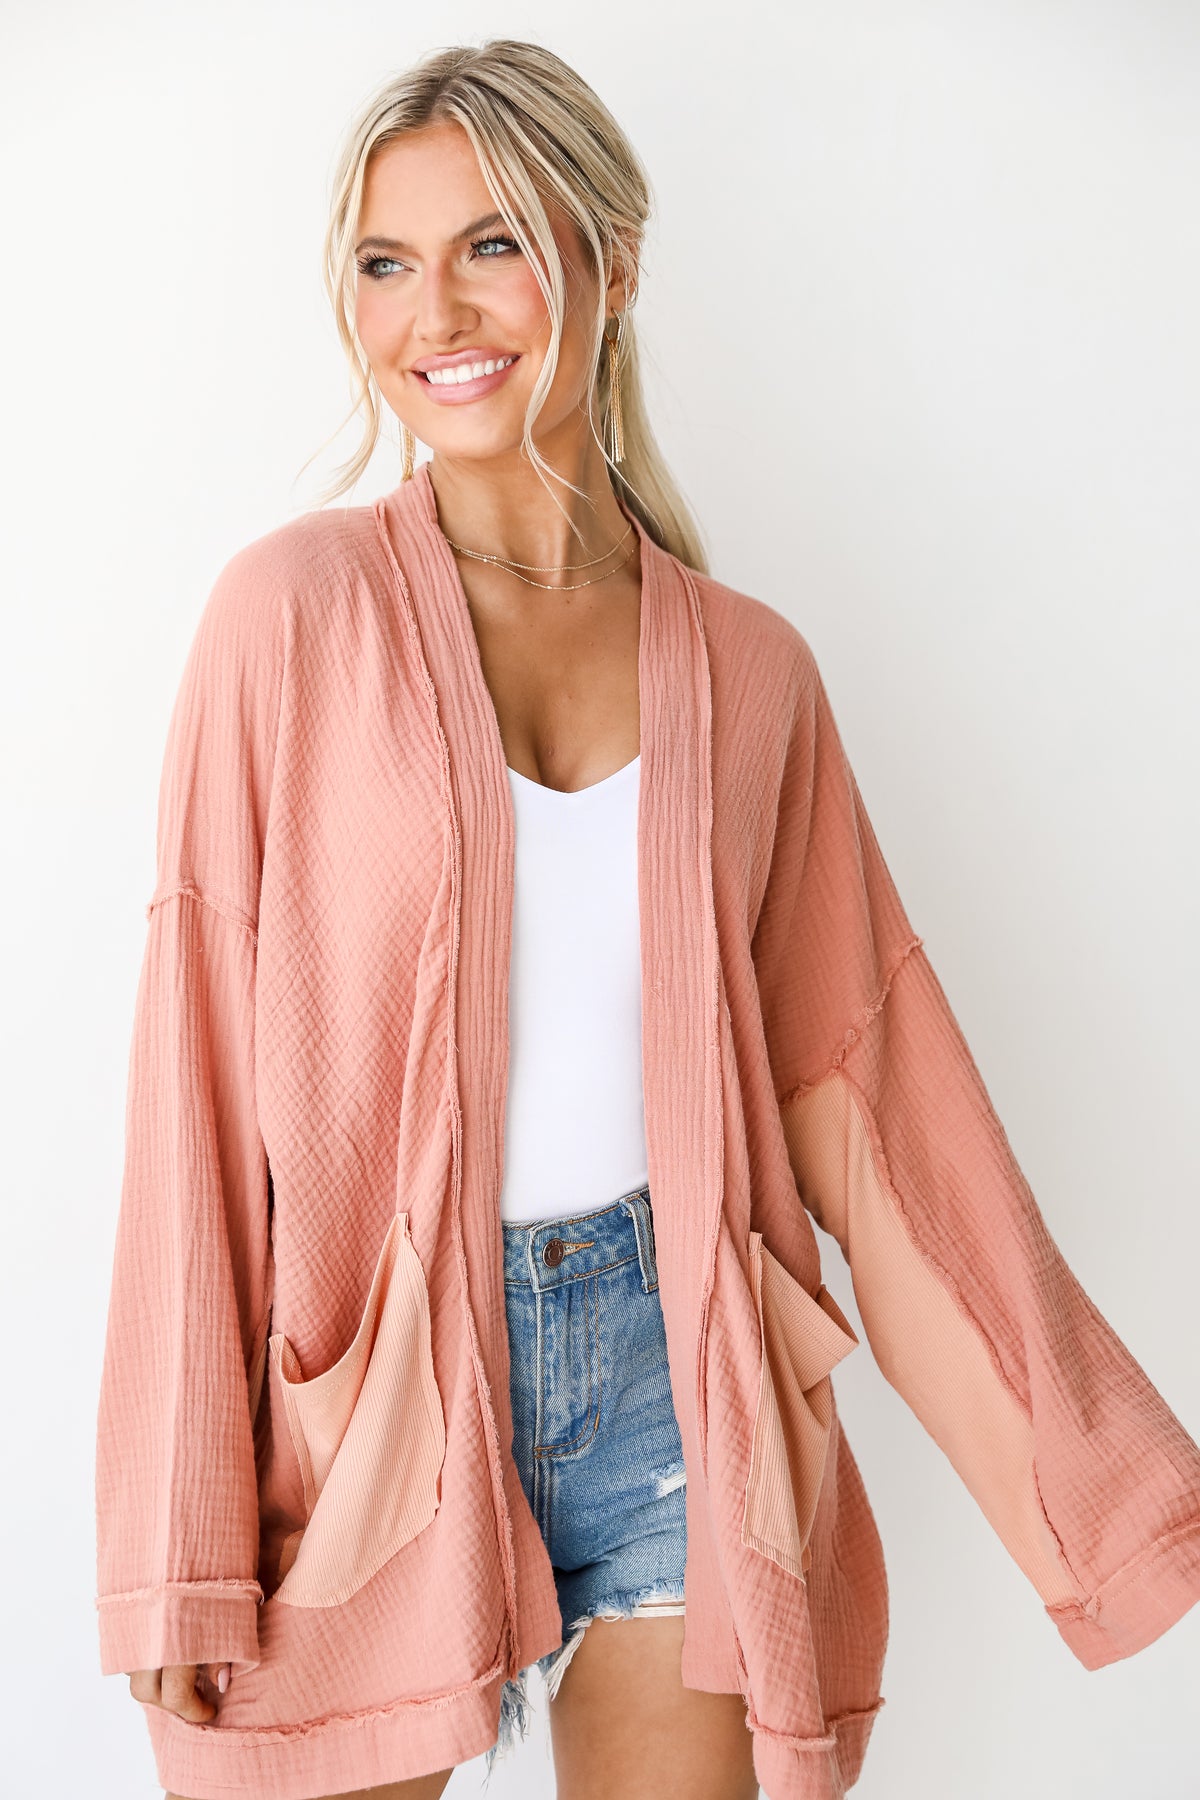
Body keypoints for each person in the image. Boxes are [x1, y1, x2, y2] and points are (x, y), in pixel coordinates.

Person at [94, 37, 1200, 1800]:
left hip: (679, 1381)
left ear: (610, 263)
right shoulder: (286, 622)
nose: (436, 314)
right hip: (370, 1406)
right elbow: (199, 1092)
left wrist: (1120, 1499)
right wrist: (177, 1535)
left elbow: (880, 1106)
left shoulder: (751, 674)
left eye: (493, 244)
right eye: (386, 262)